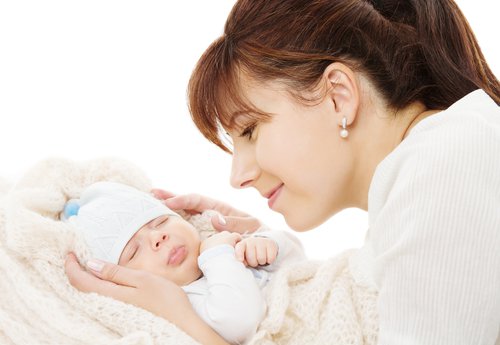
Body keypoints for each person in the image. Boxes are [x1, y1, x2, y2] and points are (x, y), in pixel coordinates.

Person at [66, 0, 500, 344]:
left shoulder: (444, 165)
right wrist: (269, 279)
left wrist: (186, 324)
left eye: (251, 130)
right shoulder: (432, 168)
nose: (238, 176)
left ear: (338, 96)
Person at [63, 181, 305, 344]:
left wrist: (267, 242)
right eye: (133, 251)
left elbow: (299, 264)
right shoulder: (188, 299)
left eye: (160, 222)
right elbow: (240, 321)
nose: (158, 237)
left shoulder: (228, 244)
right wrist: (216, 254)